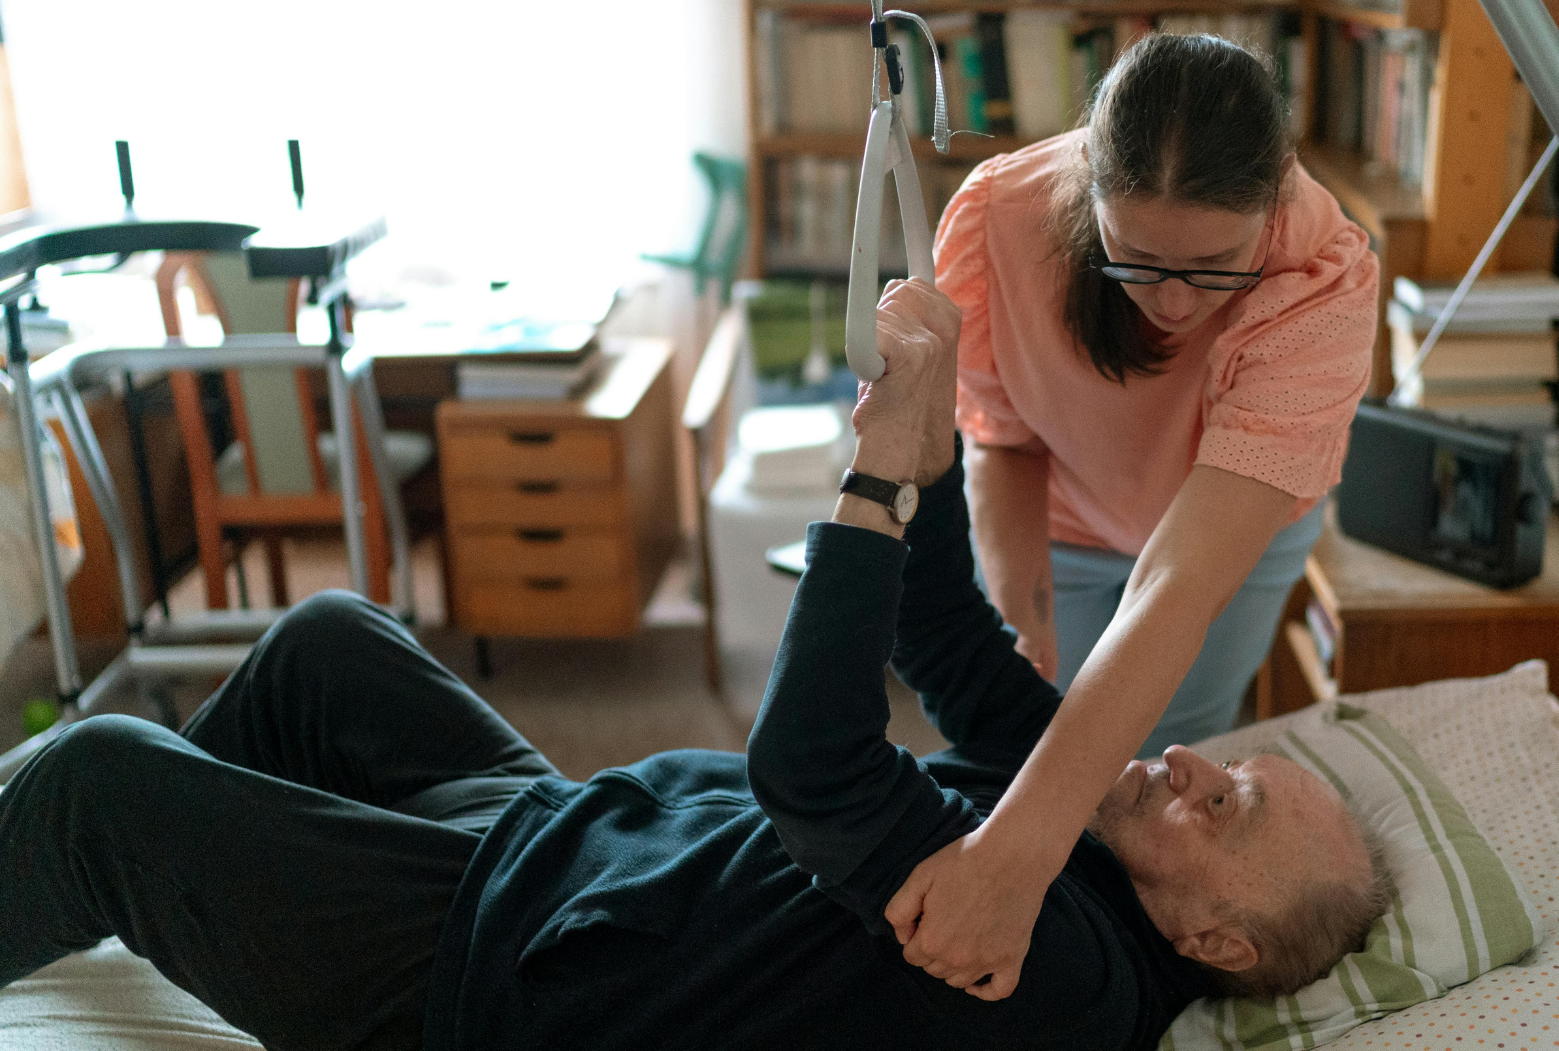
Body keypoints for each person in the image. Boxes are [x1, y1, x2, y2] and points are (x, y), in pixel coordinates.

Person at [0, 280, 1385, 1051]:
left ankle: (124, 874)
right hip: (574, 845)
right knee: (327, 642)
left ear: (1216, 943)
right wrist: (930, 437)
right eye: (1229, 770)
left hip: (499, 979)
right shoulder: (1081, 803)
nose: (1191, 762)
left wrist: (869, 488)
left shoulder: (1067, 977)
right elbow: (951, 642)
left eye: (1229, 810)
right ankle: (155, 899)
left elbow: (815, 769)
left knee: (96, 784)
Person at [893, 32, 1379, 999]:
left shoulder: (1321, 278)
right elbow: (1004, 440)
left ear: (1272, 198)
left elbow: (1180, 584)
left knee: (1160, 779)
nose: (1173, 301)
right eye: (1138, 260)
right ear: (1092, 197)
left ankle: (1114, 978)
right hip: (1066, 515)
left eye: (1214, 265)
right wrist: (1019, 607)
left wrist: (1013, 865)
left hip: (1227, 544)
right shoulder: (1000, 218)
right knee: (1037, 748)